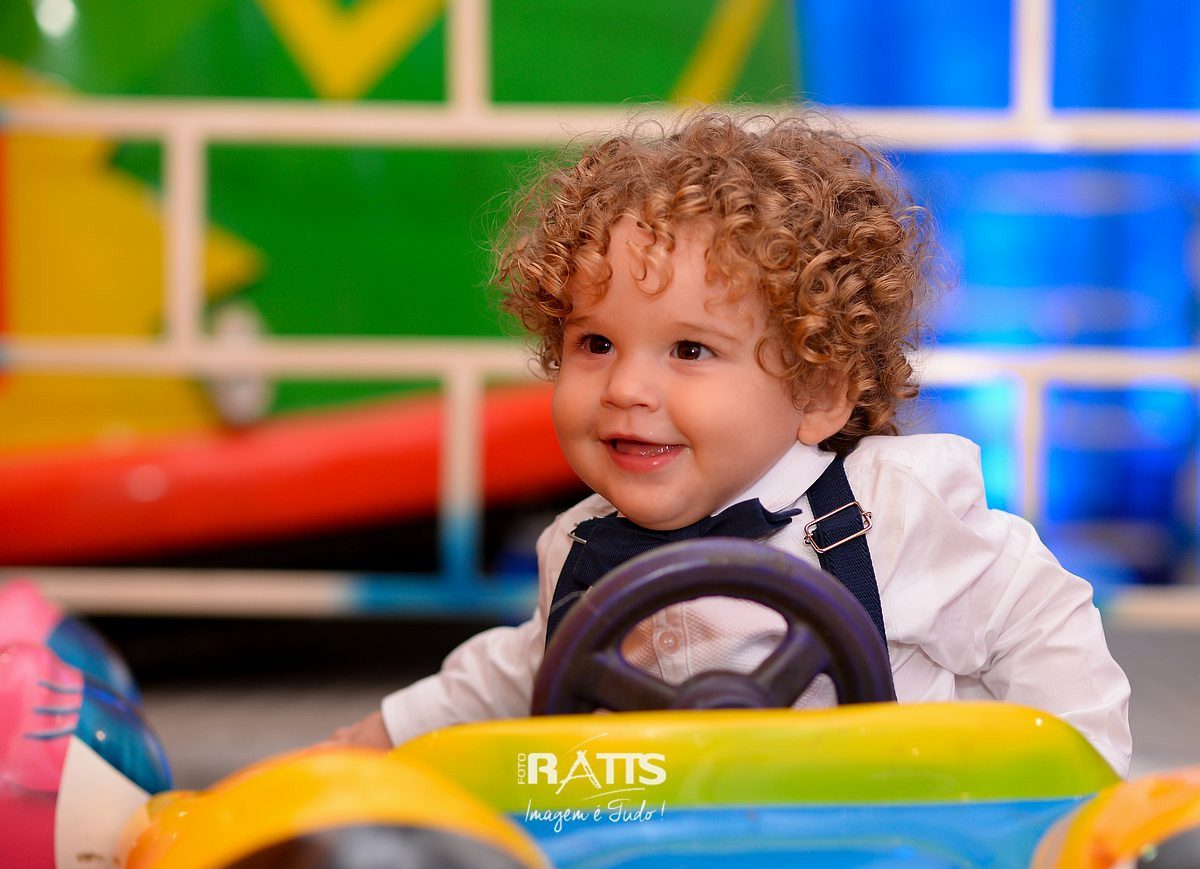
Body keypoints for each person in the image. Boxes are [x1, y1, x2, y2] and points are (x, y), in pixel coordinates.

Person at [330, 110, 1132, 776]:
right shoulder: (576, 547)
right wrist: (378, 739)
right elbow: (520, 670)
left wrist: (1080, 788)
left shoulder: (890, 509)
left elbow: (1038, 619)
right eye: (596, 343)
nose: (625, 388)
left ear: (816, 391)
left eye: (689, 350)